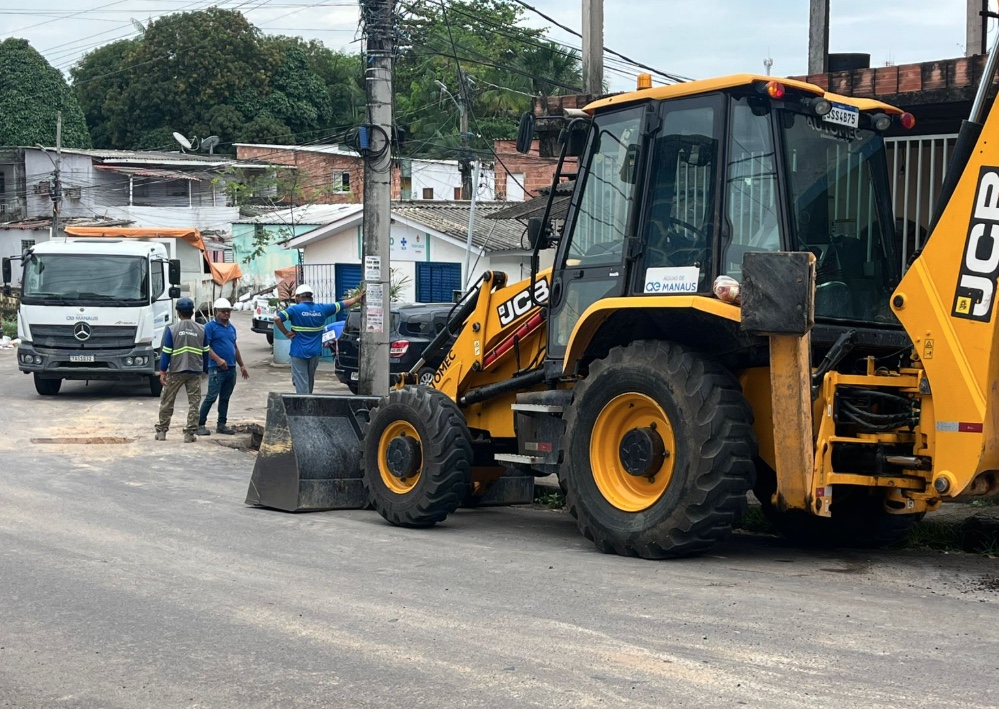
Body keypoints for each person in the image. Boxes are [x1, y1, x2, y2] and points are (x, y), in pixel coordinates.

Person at [275, 284, 365, 394]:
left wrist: (286, 333)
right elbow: (341, 305)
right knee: (309, 380)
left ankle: (303, 404)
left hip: (298, 352)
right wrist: (356, 299)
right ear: (311, 297)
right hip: (314, 352)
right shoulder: (322, 309)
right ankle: (307, 399)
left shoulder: (294, 309)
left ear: (298, 297)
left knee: (301, 382)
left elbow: (277, 318)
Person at [155, 297, 208, 442]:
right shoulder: (202, 329)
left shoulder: (172, 330)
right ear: (192, 311)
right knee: (194, 402)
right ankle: (189, 434)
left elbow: (166, 352)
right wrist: (205, 370)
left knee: (167, 400)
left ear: (178, 312)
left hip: (176, 371)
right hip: (195, 371)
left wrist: (163, 371)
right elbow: (205, 351)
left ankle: (161, 432)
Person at [197, 298, 249, 436]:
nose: (226, 314)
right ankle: (199, 423)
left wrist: (242, 365)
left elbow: (234, 347)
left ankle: (222, 424)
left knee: (225, 397)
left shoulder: (231, 328)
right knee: (211, 397)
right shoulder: (210, 327)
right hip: (216, 368)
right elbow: (205, 346)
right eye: (223, 311)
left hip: (231, 368)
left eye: (228, 311)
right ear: (216, 312)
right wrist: (218, 360)